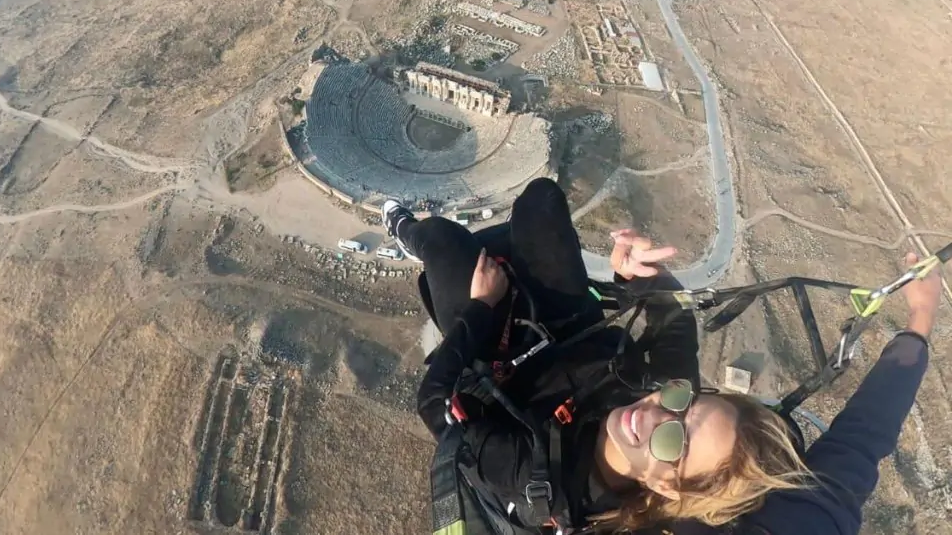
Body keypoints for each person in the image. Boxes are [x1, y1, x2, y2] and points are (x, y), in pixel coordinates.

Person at [381, 177, 945, 535]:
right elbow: (675, 322)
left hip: (497, 361)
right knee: (540, 200)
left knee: (444, 242)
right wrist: (644, 277)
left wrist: (483, 312)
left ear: (667, 489)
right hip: (570, 335)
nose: (656, 413)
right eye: (682, 400)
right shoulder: (665, 407)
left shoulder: (542, 485)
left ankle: (406, 231)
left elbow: (437, 404)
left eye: (672, 439)